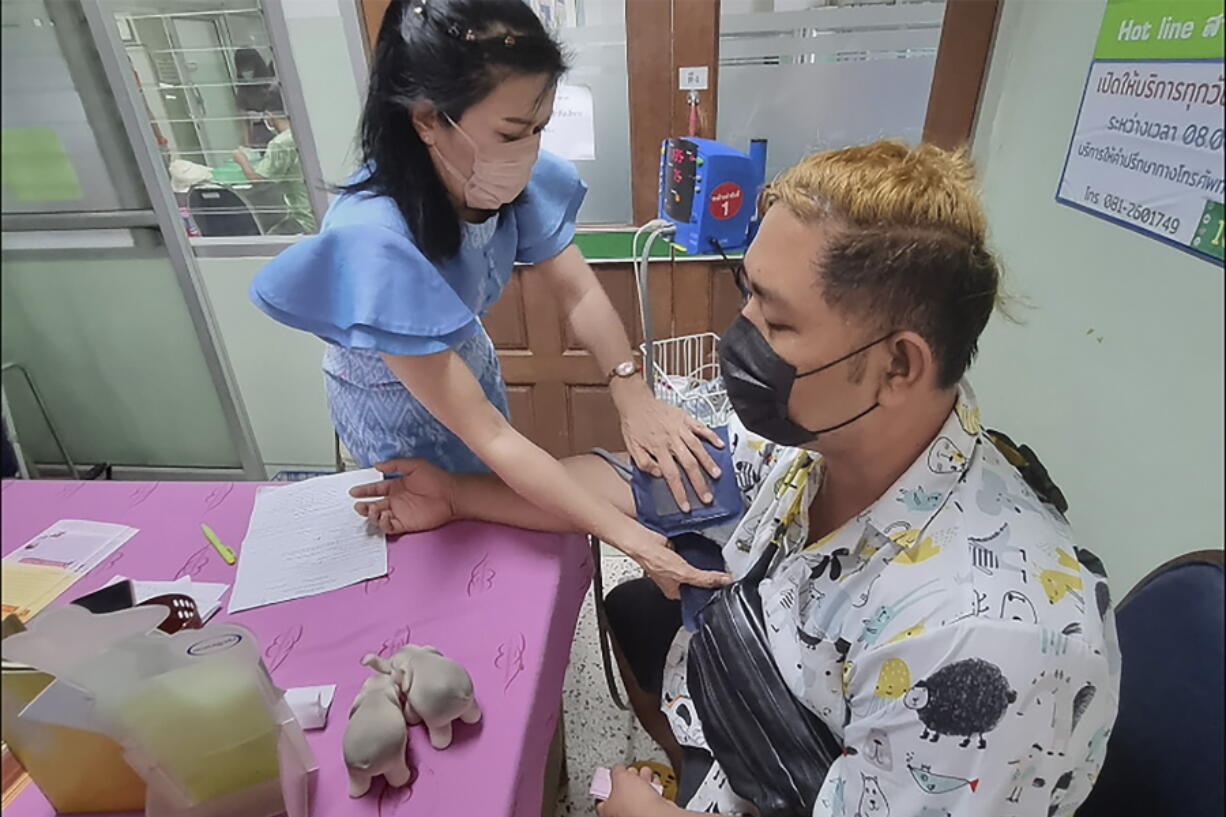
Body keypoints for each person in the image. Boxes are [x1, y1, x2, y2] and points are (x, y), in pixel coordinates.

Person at [350, 140, 1121, 817]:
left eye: (777, 322)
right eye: (746, 291)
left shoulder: (987, 644)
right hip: (741, 726)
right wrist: (457, 496)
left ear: (898, 364)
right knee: (633, 606)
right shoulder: (815, 438)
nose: (742, 335)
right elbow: (637, 477)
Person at [249, 0, 727, 596]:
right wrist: (632, 540)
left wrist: (633, 393)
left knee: (493, 505)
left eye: (539, 128)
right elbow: (491, 437)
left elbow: (578, 291)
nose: (528, 149)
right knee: (437, 552)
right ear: (427, 119)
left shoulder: (503, 177)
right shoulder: (373, 242)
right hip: (392, 402)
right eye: (511, 132)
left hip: (464, 362)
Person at [231, 86, 315, 234]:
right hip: (321, 211)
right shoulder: (306, 131)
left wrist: (241, 159)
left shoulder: (281, 143)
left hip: (305, 219)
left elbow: (257, 180)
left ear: (269, 115)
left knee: (271, 239)